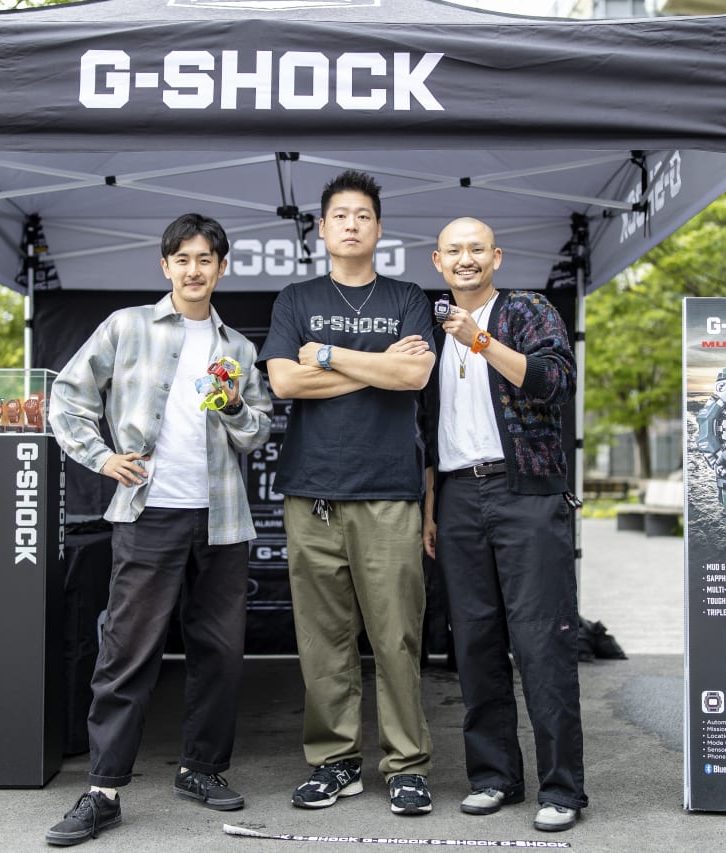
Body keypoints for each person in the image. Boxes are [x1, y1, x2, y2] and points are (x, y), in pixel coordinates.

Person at [45, 213, 272, 846]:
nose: (195, 270)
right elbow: (66, 396)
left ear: (222, 268)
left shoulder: (238, 349)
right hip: (150, 512)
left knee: (220, 653)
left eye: (206, 259)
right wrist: (101, 458)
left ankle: (201, 770)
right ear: (165, 266)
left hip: (222, 519)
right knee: (127, 653)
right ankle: (103, 790)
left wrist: (232, 407)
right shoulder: (127, 327)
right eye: (183, 259)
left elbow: (258, 431)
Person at [259, 170, 438, 816]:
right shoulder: (295, 298)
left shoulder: (407, 296)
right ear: (323, 228)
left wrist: (329, 355)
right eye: (341, 215)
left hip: (389, 491)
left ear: (379, 229)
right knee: (322, 639)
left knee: (396, 638)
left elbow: (415, 372)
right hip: (311, 494)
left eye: (364, 214)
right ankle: (333, 763)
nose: (353, 224)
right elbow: (284, 382)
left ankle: (406, 765)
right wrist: (376, 367)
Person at [420, 217, 588, 832]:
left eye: (476, 250)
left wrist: (481, 341)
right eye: (454, 251)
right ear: (437, 261)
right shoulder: (429, 328)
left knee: (543, 640)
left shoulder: (527, 310)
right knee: (475, 642)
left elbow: (557, 382)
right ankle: (494, 777)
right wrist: (432, 507)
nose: (466, 260)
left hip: (526, 492)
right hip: (460, 494)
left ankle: (562, 789)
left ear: (496, 256)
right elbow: (430, 430)